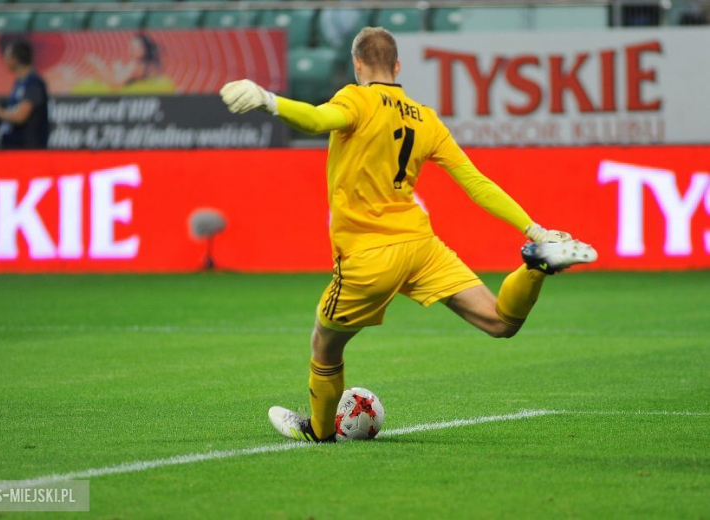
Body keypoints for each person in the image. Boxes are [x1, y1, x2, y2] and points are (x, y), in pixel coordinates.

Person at [220, 27, 597, 443]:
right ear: (397, 66)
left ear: (357, 64)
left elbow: (317, 119)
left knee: (325, 345)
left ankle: (320, 431)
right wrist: (532, 227)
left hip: (368, 255)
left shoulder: (355, 98)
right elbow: (477, 183)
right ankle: (536, 265)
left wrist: (268, 100)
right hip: (421, 247)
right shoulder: (425, 117)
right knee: (499, 321)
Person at [0, 40, 50, 150]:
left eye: (7, 57)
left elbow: (20, 116)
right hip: (13, 145)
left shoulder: (33, 83)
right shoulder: (20, 82)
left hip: (27, 149)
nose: (4, 60)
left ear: (16, 59)